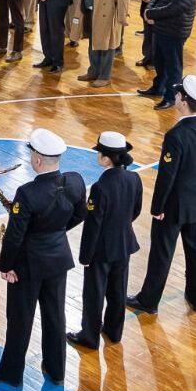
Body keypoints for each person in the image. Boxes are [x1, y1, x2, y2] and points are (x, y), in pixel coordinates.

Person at [0, 128, 85, 386]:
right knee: (55, 315)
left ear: (37, 159)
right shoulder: (75, 181)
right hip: (58, 259)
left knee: (20, 318)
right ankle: (56, 369)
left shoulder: (27, 193)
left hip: (27, 266)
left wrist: (6, 266)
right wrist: (56, 232)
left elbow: (15, 236)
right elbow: (80, 214)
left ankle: (11, 371)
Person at [130, 77, 196, 315]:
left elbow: (167, 176)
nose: (175, 97)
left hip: (173, 206)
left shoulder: (176, 135)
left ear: (183, 101)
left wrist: (157, 207)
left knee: (162, 253)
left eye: (178, 95)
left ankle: (149, 300)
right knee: (195, 251)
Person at [70, 132, 141, 350]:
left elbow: (93, 225)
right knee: (118, 290)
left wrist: (85, 256)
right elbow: (135, 211)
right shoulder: (134, 178)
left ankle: (89, 336)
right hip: (125, 244)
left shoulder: (101, 187)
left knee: (94, 294)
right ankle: (114, 330)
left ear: (106, 158)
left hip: (101, 250)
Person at [140, 0, 196, 110]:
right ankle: (158, 89)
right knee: (159, 62)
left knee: (173, 67)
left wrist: (151, 14)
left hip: (174, 32)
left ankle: (171, 97)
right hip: (162, 29)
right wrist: (149, 10)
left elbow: (174, 9)